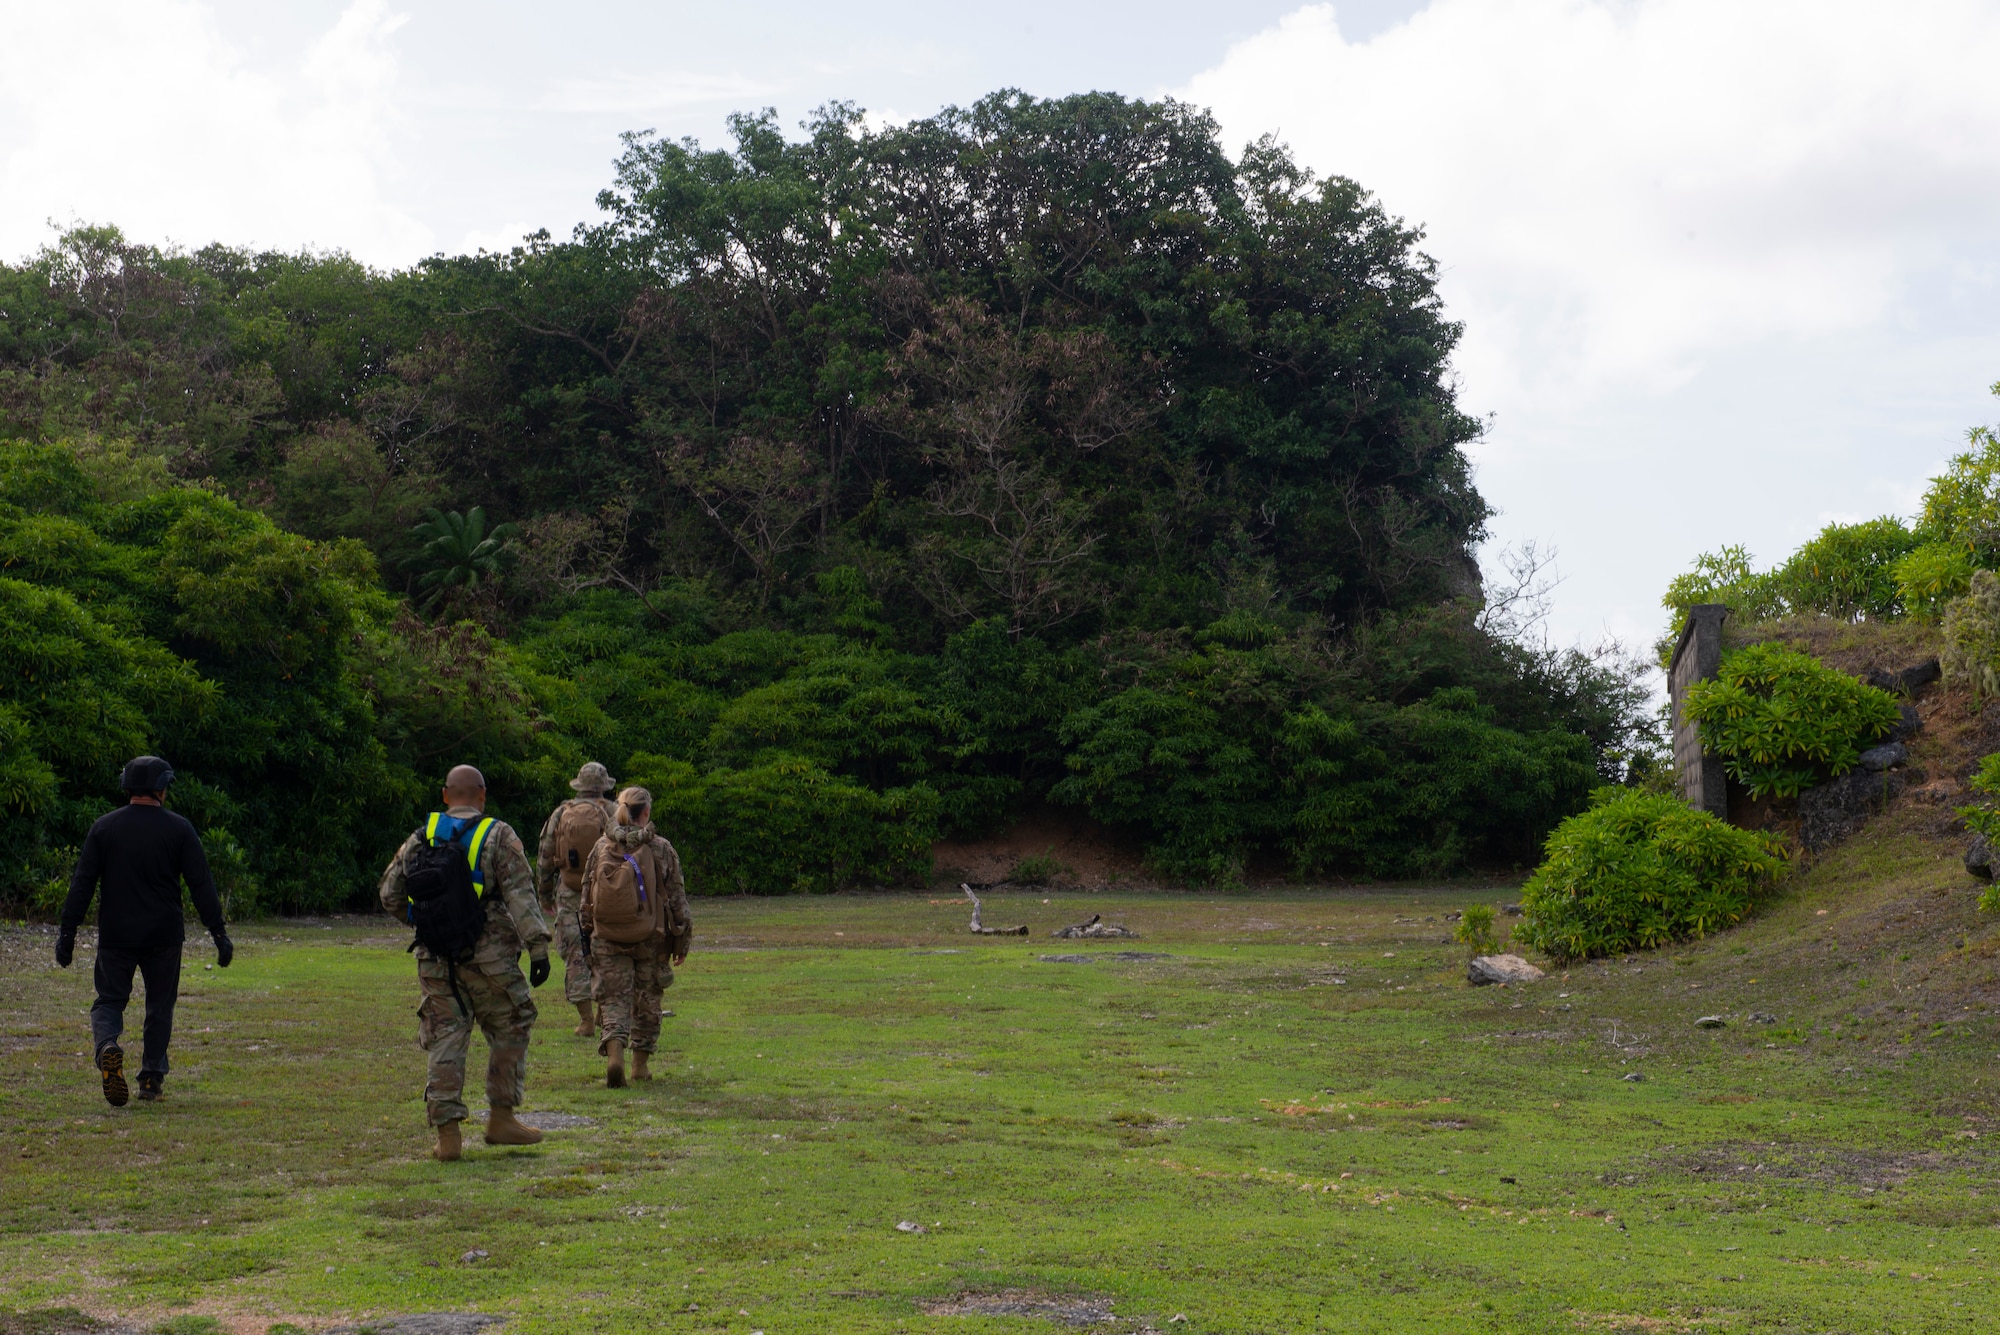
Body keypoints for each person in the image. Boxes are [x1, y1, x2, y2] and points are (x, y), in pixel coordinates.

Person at [378, 764, 552, 1162]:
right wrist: (538, 947)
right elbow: (520, 894)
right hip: (490, 957)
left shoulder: (421, 838)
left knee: (445, 1037)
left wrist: (424, 921)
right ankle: (502, 1117)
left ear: (444, 795)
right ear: (482, 796)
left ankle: (448, 1137)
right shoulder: (499, 835)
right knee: (513, 1021)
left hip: (434, 956)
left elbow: (389, 893)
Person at [57, 756, 233, 1107]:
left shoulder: (104, 828)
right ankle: (151, 1079)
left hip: (116, 934)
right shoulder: (179, 829)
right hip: (164, 935)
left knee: (108, 1001)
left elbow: (82, 885)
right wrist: (218, 934)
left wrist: (67, 933)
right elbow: (201, 885)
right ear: (161, 790)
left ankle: (108, 1045)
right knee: (159, 1006)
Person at [579, 786, 691, 1088]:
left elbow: (587, 894)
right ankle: (639, 1066)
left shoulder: (602, 847)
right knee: (648, 999)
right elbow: (677, 898)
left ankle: (615, 1053)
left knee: (614, 998)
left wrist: (588, 935)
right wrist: (682, 940)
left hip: (607, 936)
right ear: (647, 813)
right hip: (650, 938)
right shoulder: (661, 848)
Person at [535, 762, 620, 1037]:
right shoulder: (614, 812)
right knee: (606, 951)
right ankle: (601, 1013)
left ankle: (585, 1020)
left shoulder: (562, 812)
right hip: (606, 893)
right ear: (604, 786)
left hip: (570, 892)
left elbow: (545, 856)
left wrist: (545, 894)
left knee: (575, 954)